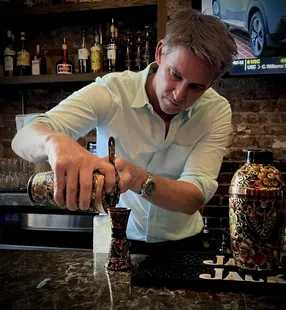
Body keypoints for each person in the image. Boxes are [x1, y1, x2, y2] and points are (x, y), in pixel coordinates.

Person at [12, 8, 237, 243]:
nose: (179, 95)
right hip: (116, 239)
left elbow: (194, 197)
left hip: (184, 244)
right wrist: (54, 142)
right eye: (175, 75)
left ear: (211, 84)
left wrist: (140, 179)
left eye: (196, 87)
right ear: (160, 53)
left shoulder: (215, 110)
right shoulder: (113, 92)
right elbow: (24, 137)